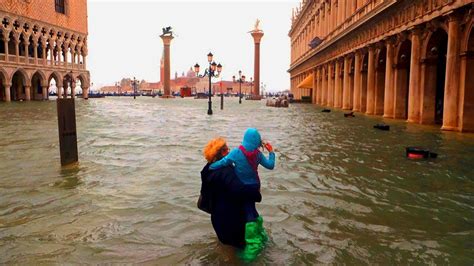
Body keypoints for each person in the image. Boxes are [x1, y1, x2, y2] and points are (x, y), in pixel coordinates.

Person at [209, 128, 275, 261]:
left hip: (242, 188)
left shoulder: (236, 152)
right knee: (252, 209)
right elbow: (270, 165)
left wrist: (210, 167)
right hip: (255, 187)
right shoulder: (257, 154)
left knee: (248, 212)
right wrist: (271, 152)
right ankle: (262, 235)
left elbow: (222, 163)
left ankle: (252, 248)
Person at [200, 138, 262, 249]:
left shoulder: (207, 169)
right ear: (219, 154)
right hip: (232, 220)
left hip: (217, 218)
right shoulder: (226, 171)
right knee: (237, 250)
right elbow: (240, 190)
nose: (228, 151)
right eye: (225, 150)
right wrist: (257, 195)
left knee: (225, 248)